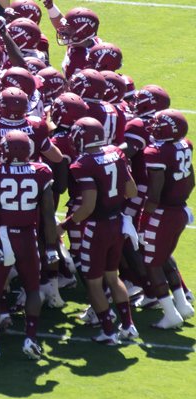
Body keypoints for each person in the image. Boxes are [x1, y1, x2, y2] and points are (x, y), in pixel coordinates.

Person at [0, 130, 58, 362]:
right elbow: (49, 215)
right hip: (28, 237)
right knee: (33, 289)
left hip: (2, 235)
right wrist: (52, 246)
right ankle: (31, 339)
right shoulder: (41, 172)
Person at [61, 117, 139, 345]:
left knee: (94, 281)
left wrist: (64, 225)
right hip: (118, 223)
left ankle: (108, 331)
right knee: (113, 277)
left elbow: (87, 206)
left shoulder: (83, 164)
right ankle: (128, 325)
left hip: (97, 227)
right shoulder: (117, 153)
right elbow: (131, 191)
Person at [140, 109, 195, 328]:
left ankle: (171, 314)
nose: (153, 126)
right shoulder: (185, 144)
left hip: (163, 213)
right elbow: (191, 180)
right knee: (164, 257)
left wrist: (143, 223)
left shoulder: (155, 152)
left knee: (152, 262)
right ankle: (182, 305)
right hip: (179, 209)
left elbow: (154, 192)